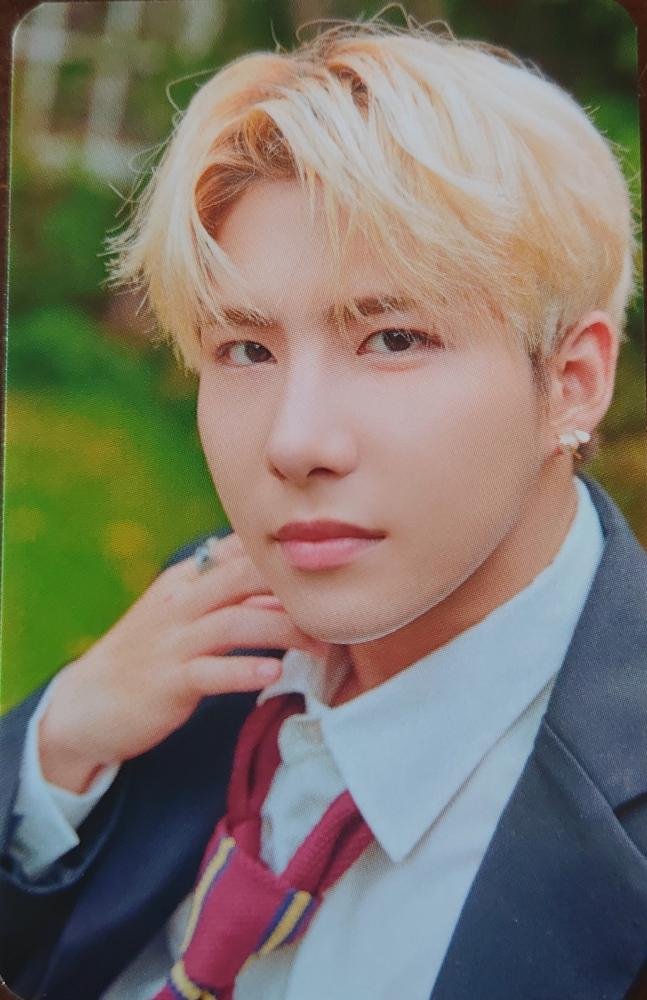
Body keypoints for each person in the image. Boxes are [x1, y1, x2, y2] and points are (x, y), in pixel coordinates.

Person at [1, 16, 646, 1000]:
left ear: (569, 382)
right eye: (245, 349)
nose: (292, 441)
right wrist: (60, 743)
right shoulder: (201, 633)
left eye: (392, 339)